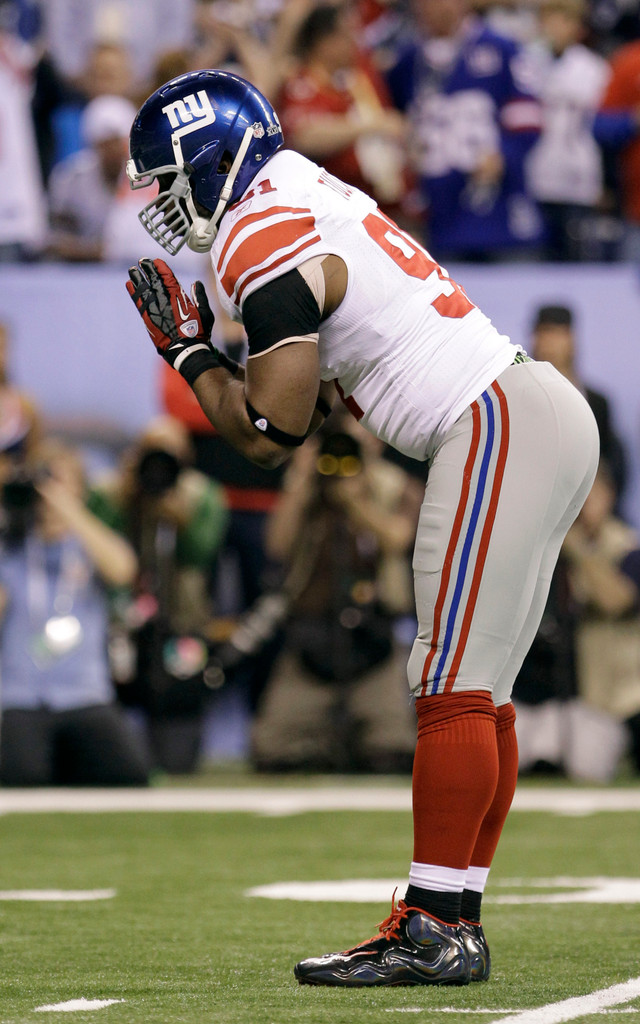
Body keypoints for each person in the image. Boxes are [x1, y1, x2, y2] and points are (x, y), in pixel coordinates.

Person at [125, 69, 599, 987]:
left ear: (209, 162)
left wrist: (188, 353)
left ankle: (432, 926)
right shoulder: (301, 188)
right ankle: (448, 916)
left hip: (494, 418)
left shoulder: (258, 232)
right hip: (530, 410)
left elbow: (270, 432)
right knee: (478, 690)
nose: (161, 202)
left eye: (166, 179)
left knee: (452, 684)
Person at [251, 419, 420, 774]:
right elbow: (277, 546)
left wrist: (356, 501)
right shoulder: (310, 486)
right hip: (310, 638)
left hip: (374, 641)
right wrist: (300, 481)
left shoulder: (395, 486)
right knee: (272, 751)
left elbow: (396, 540)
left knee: (393, 752)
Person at [0, 437, 149, 787]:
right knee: (22, 777)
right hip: (21, 696)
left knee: (129, 774)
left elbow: (123, 570)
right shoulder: (12, 547)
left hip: (85, 694)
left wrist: (70, 510)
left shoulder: (89, 544)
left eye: (60, 482)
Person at [88, 415, 229, 774]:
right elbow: (92, 547)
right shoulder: (111, 490)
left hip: (181, 623)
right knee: (108, 761)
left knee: (177, 762)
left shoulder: (204, 494)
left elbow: (200, 555)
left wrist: (180, 518)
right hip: (119, 624)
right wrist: (125, 499)